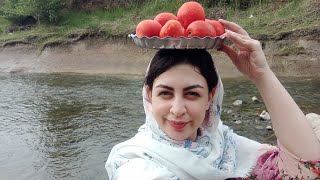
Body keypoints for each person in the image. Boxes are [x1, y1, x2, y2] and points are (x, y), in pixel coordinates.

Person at [105, 19, 320, 179]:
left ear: (210, 97)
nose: (177, 109)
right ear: (149, 96)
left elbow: (308, 167)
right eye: (165, 93)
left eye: (192, 94)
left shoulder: (223, 144)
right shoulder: (135, 165)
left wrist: (262, 75)